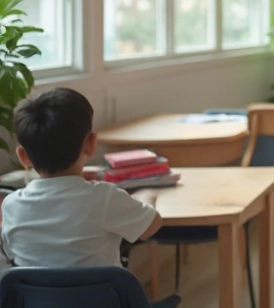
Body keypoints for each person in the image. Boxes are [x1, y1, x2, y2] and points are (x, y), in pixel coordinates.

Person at [1, 88, 163, 268]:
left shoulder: (11, 205)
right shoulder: (104, 197)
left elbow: (10, 252)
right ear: (91, 143)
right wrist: (147, 197)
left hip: (33, 289)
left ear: (23, 157)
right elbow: (150, 226)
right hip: (101, 288)